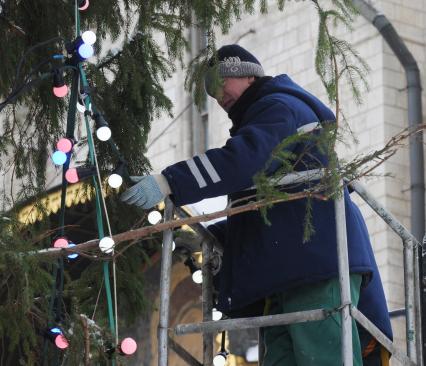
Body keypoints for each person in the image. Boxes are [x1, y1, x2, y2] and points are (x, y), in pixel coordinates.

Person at [121, 44, 392, 365]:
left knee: (322, 354)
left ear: (248, 76)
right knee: (284, 357)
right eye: (210, 90)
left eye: (221, 82)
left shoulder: (277, 107)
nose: (218, 96)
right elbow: (268, 206)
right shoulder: (270, 118)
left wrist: (170, 182)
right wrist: (217, 237)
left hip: (315, 262)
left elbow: (243, 160)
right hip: (291, 270)